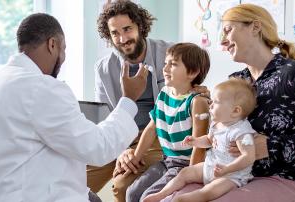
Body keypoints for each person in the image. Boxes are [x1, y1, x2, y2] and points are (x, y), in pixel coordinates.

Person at [163, 3, 295, 202]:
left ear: (255, 27)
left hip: (282, 178)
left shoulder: (294, 74)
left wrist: (271, 146)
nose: (223, 41)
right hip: (233, 176)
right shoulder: (236, 80)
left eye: (227, 30)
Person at [0, 13, 149, 202]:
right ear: (52, 44)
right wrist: (129, 99)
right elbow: (99, 148)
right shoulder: (40, 88)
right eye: (63, 49)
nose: (63, 57)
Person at [91, 1, 209, 201]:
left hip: (159, 137)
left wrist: (202, 95)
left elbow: (193, 92)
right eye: (115, 33)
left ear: (140, 26)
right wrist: (122, 149)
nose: (122, 38)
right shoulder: (103, 68)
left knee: (122, 185)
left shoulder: (171, 54)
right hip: (119, 136)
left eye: (127, 29)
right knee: (75, 177)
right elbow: (105, 117)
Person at [143, 78, 257, 202]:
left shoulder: (241, 131)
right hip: (210, 167)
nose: (211, 104)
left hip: (231, 176)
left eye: (216, 102)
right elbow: (208, 140)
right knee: (185, 173)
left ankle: (183, 199)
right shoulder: (217, 124)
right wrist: (195, 141)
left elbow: (248, 157)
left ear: (235, 111)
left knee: (208, 192)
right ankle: (161, 194)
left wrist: (227, 169)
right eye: (211, 101)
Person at [126, 43, 210, 202]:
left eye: (173, 64)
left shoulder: (197, 102)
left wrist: (191, 176)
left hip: (185, 166)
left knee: (148, 198)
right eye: (166, 63)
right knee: (132, 193)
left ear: (192, 72)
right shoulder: (164, 94)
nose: (165, 69)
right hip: (166, 160)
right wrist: (136, 157)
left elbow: (199, 144)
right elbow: (152, 128)